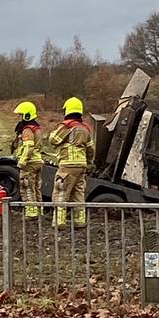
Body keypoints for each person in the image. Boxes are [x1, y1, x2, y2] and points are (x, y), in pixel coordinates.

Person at [48, 97, 95, 229]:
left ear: (67, 110)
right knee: (78, 193)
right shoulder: (86, 129)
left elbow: (53, 140)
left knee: (61, 192)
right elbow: (91, 149)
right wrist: (89, 163)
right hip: (81, 166)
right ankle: (79, 221)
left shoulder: (67, 126)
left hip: (67, 165)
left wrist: (55, 131)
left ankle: (59, 222)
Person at [12, 101, 44, 220]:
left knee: (27, 187)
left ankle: (31, 212)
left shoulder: (27, 130)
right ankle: (39, 209)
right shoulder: (36, 127)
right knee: (36, 187)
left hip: (29, 163)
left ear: (27, 115)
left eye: (21, 115)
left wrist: (22, 162)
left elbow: (28, 147)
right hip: (37, 161)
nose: (19, 118)